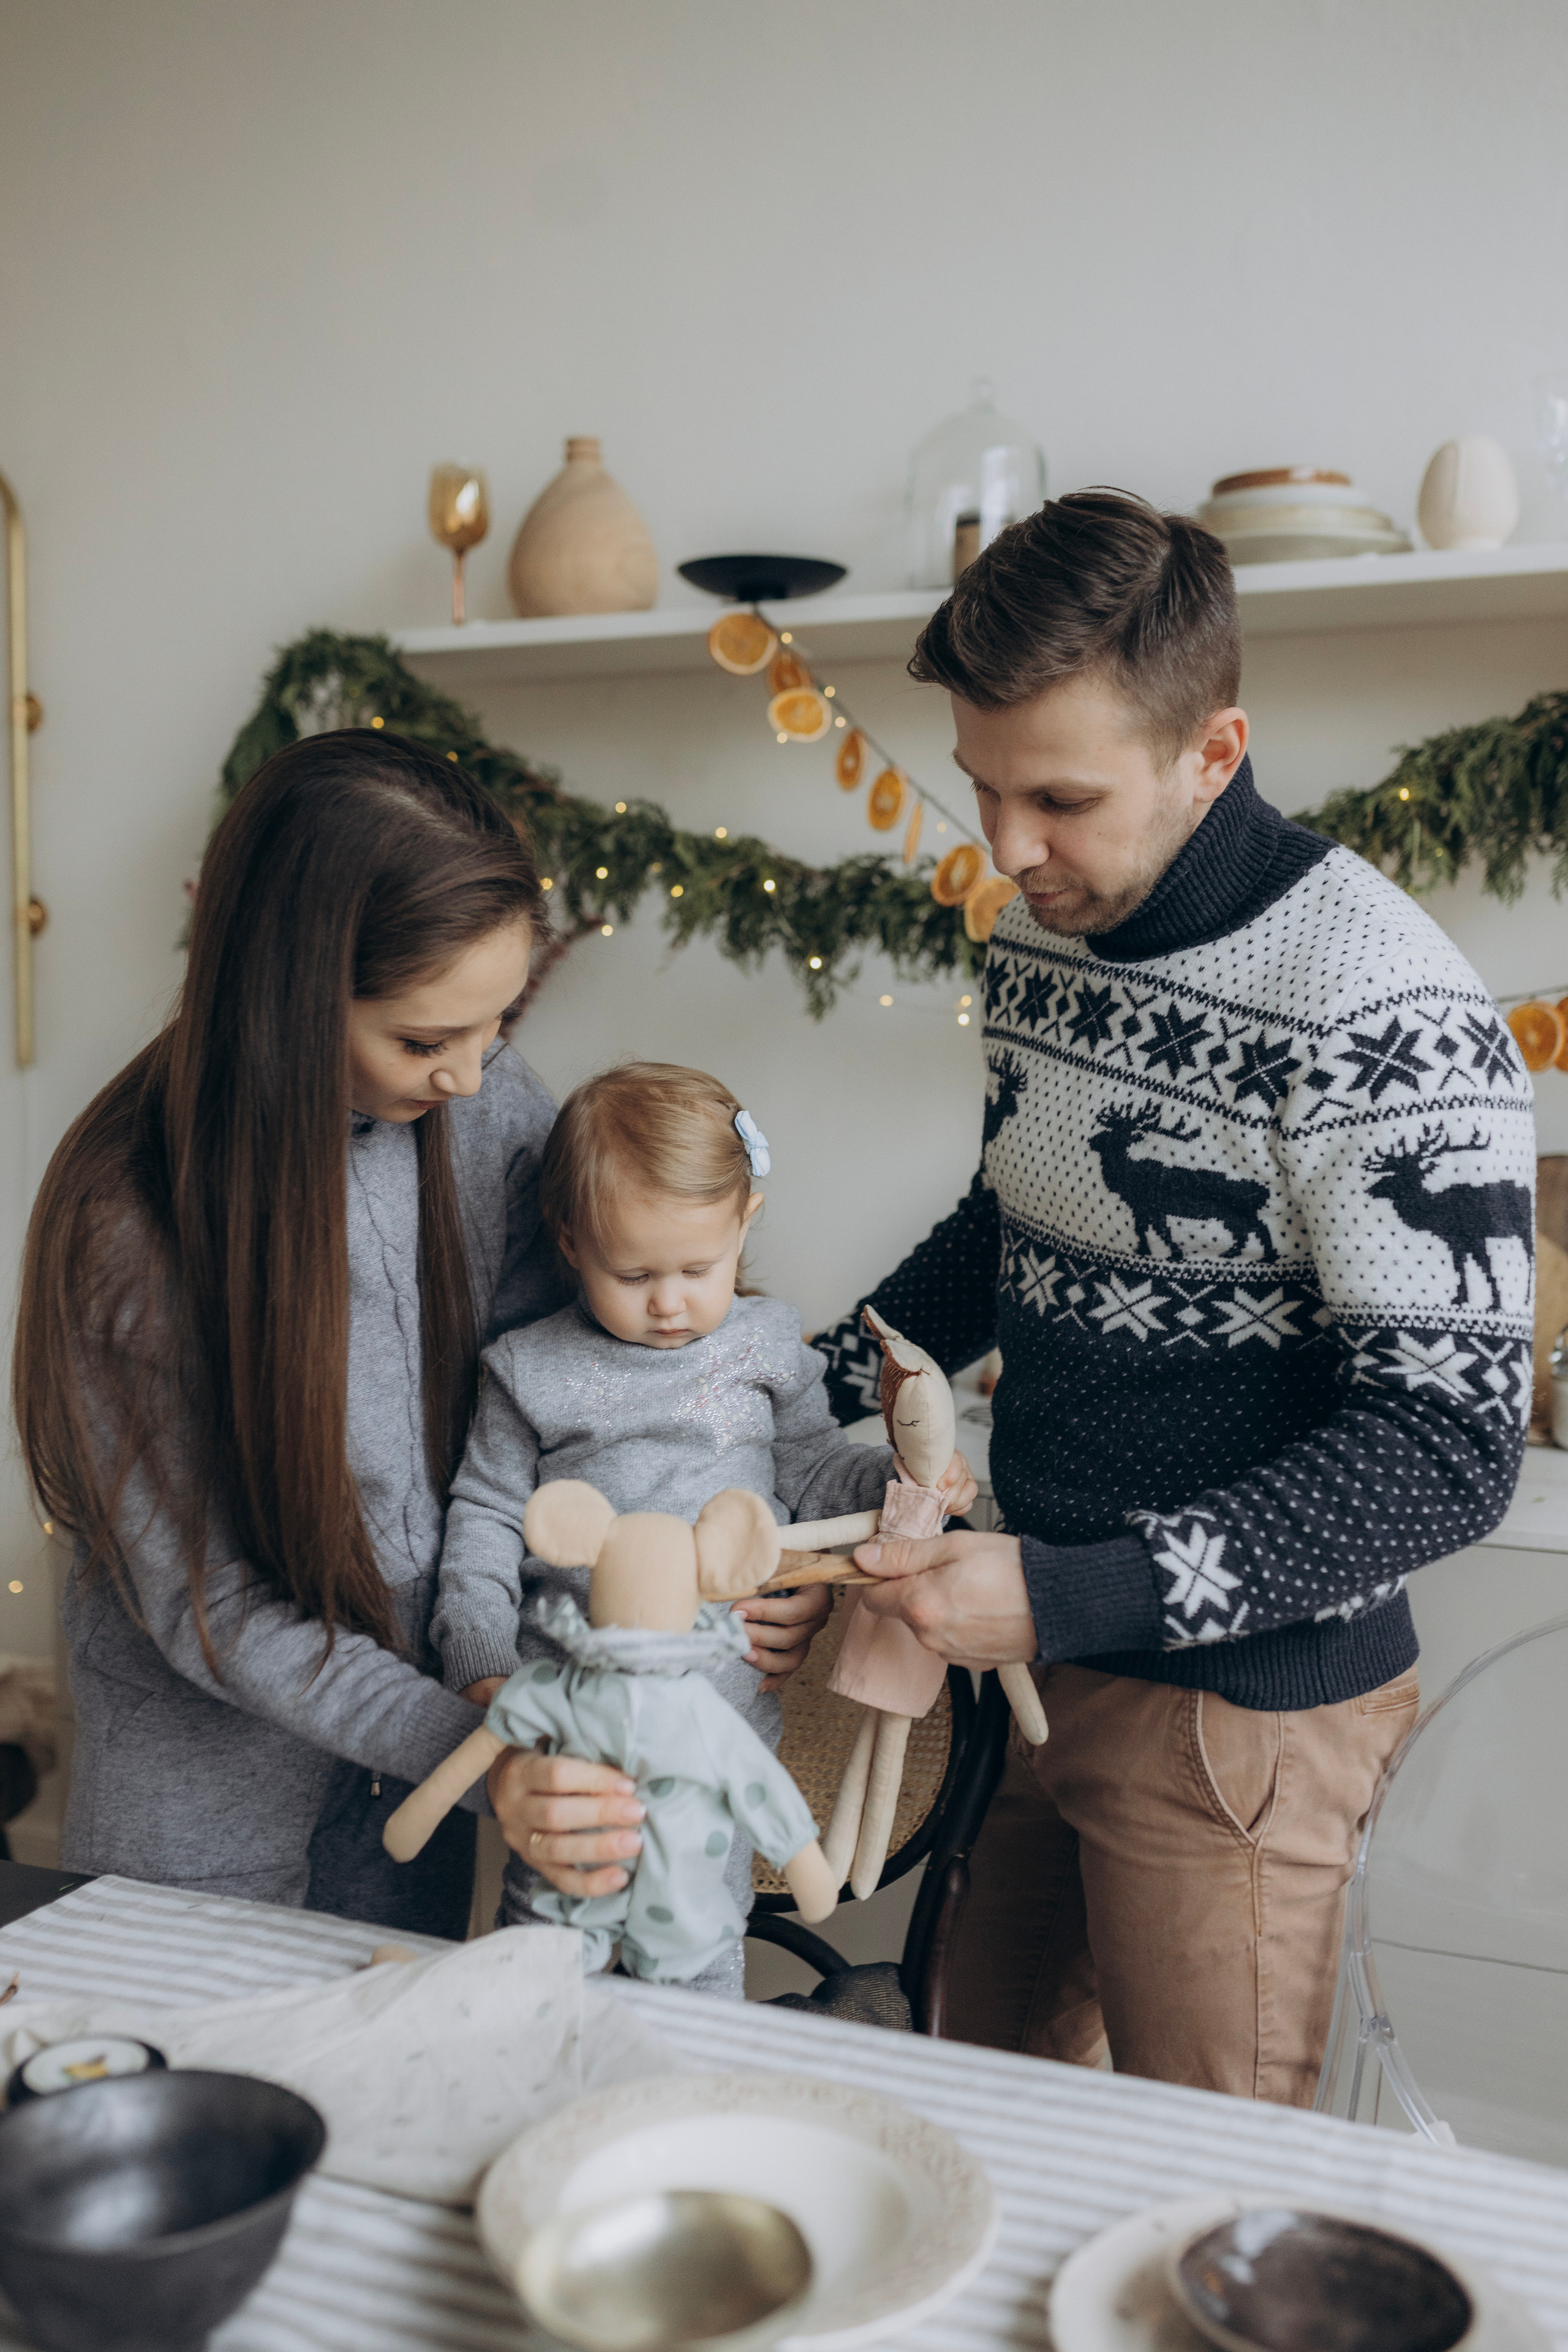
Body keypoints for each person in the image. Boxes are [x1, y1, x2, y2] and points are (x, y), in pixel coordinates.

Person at [803, 491, 1535, 2103]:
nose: (1005, 849)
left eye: (1060, 797)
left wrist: (1071, 1596)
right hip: (1030, 1662)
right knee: (977, 2122)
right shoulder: (1039, 931)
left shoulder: (1380, 1003)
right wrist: (795, 1397)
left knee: (1211, 2192)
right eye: (982, 788)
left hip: (1242, 1722)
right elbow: (1021, 1220)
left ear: (1215, 753)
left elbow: (1446, 1451)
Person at [12, 734, 826, 1935]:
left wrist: (752, 1557)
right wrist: (476, 1743)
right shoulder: (126, 1222)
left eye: (494, 1024)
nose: (470, 1075)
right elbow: (214, 1609)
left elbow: (598, 1392)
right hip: (209, 1776)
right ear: (287, 1002)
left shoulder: (482, 1103)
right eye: (421, 1041)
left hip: (438, 1738)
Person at [429, 1061, 974, 1991]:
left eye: (698, 1269)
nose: (670, 1302)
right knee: (553, 1948)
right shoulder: (529, 1371)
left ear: (744, 1225)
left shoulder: (763, 1351)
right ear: (570, 1240)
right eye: (633, 1273)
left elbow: (811, 1475)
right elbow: (481, 1524)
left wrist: (905, 1479)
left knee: (699, 1943)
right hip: (574, 1733)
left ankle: (688, 2099)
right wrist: (482, 1665)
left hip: (714, 1731)